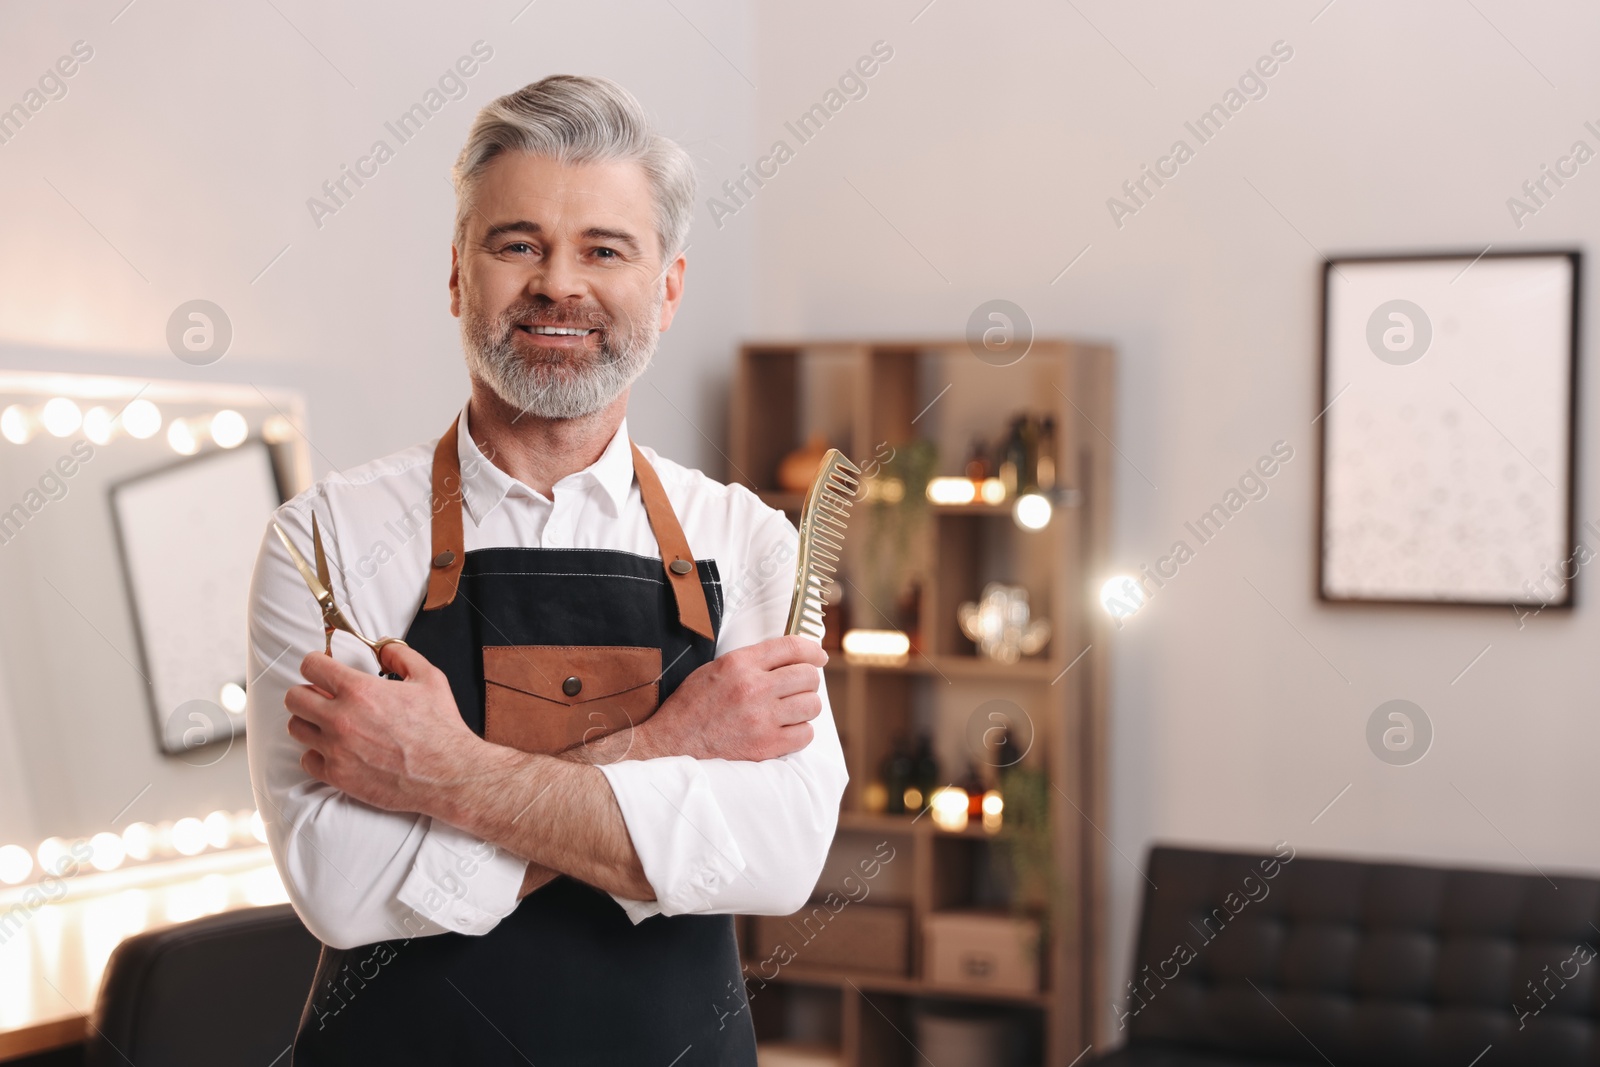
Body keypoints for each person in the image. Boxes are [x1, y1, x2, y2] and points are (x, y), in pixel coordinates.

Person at [244, 73, 847, 1065]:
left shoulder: (748, 540)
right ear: (455, 274)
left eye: (603, 249)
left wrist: (443, 772)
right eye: (517, 243)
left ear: (667, 285)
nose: (559, 283)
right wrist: (673, 742)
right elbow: (344, 889)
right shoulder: (324, 540)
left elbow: (776, 858)